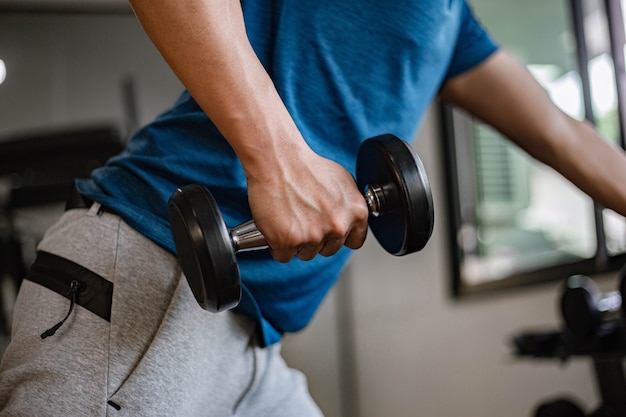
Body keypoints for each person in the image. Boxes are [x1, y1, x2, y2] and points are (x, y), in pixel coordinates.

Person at [2, 0, 626, 416]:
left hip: (252, 339)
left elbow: (563, 136)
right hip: (151, 270)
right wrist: (275, 158)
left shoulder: (451, 20)